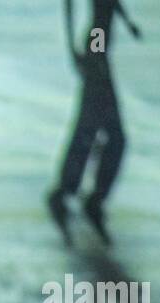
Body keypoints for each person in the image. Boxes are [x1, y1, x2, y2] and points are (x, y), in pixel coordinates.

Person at [46, 0, 143, 245]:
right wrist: (89, 56)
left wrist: (128, 22)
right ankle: (83, 197)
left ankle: (72, 193)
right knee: (110, 134)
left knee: (91, 129)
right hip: (97, 53)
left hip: (98, 54)